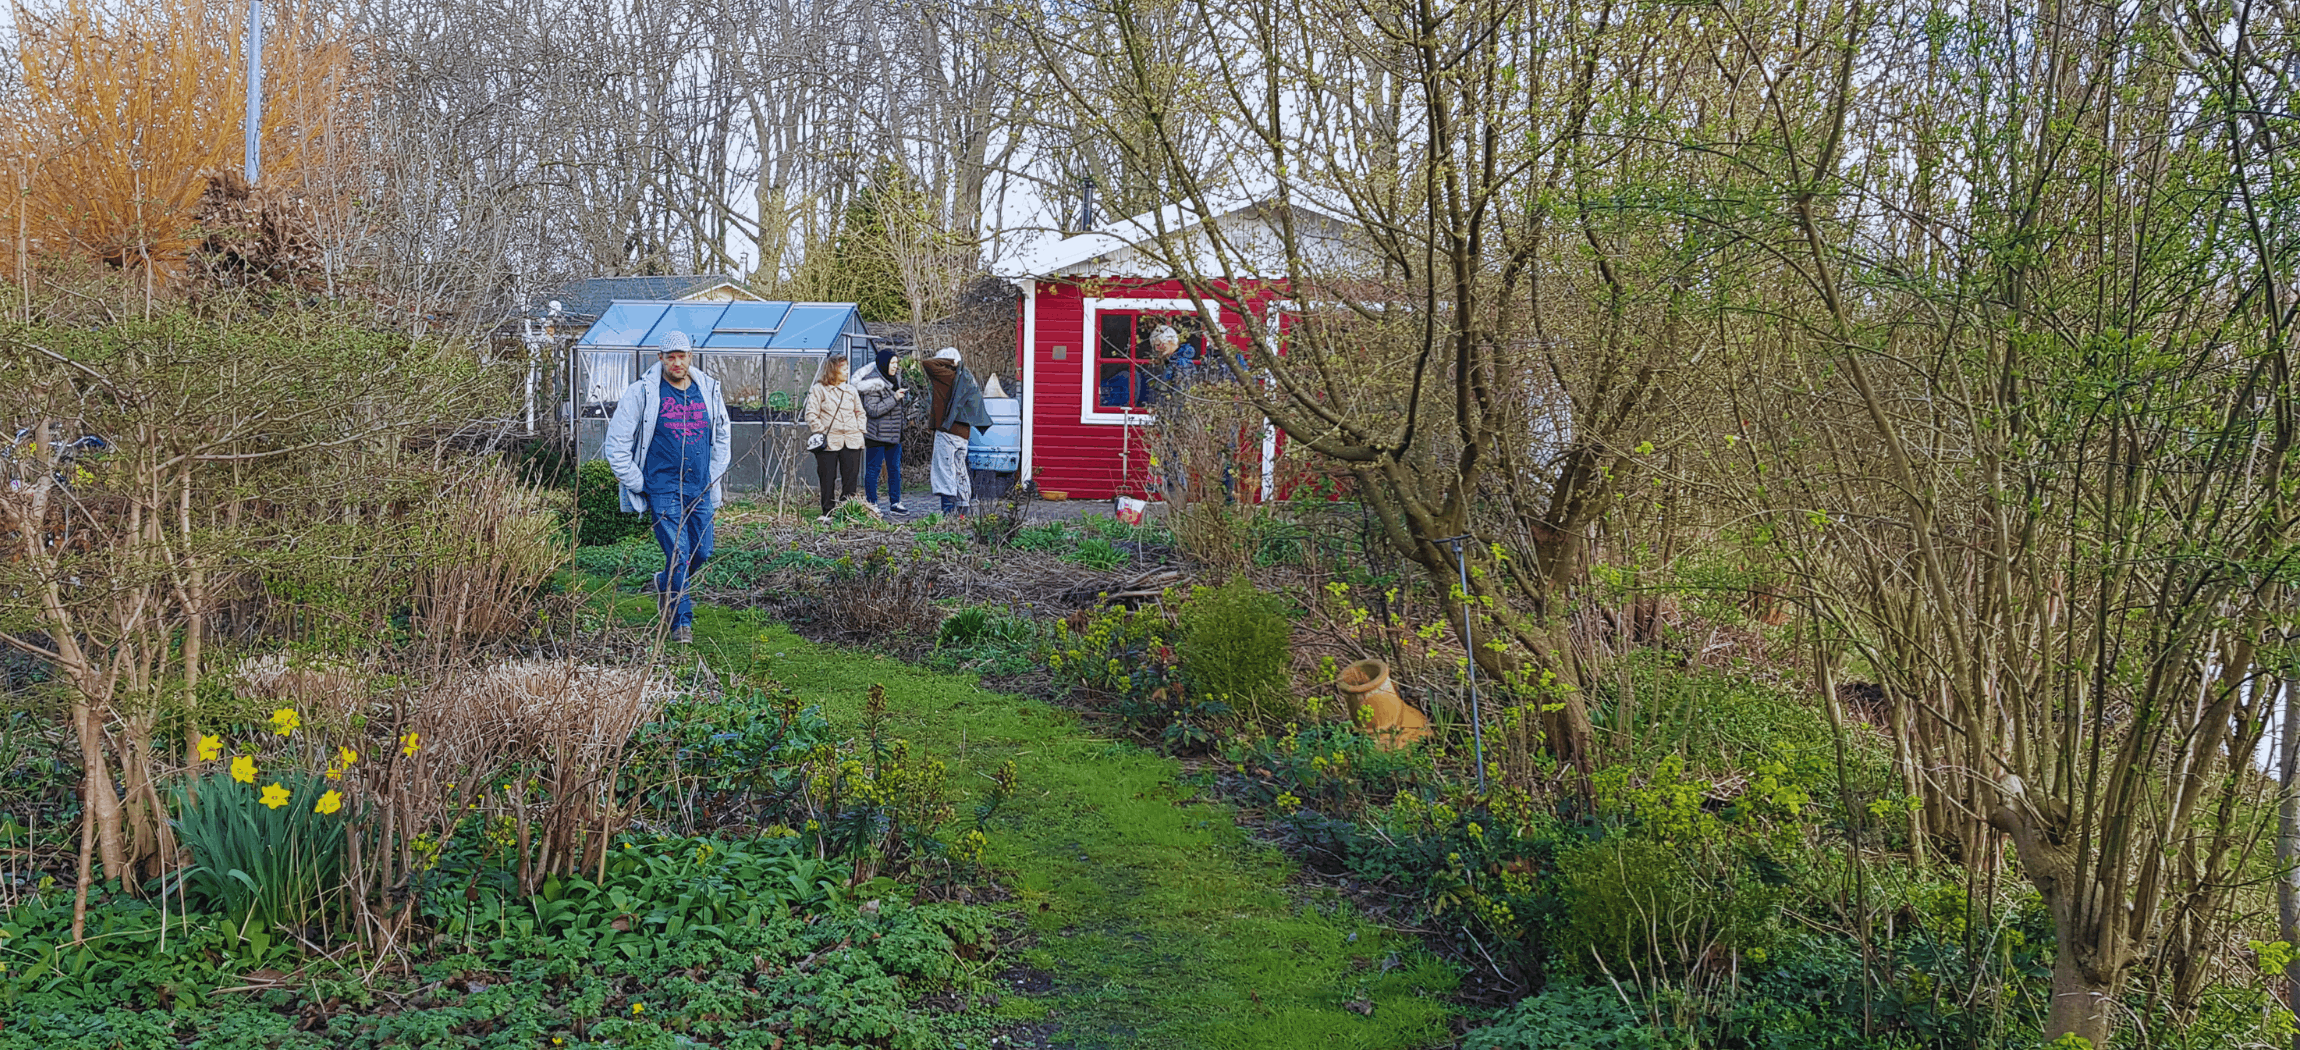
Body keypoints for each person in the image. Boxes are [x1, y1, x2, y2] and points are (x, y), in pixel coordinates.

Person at [600, 329, 730, 644]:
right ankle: (680, 622)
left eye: (681, 356)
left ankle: (664, 582)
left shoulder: (708, 390)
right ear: (660, 358)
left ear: (690, 356)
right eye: (669, 357)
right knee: (678, 554)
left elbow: (723, 435)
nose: (676, 362)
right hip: (663, 489)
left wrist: (712, 474)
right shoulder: (642, 392)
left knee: (704, 551)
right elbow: (615, 445)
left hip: (699, 488)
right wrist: (640, 483)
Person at [922, 346, 993, 516]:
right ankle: (964, 507)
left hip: (947, 432)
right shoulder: (966, 380)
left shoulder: (946, 376)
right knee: (960, 470)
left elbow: (927, 363)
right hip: (964, 434)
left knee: (944, 470)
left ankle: (948, 510)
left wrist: (948, 361)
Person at [803, 353, 866, 521]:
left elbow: (860, 412)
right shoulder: (819, 389)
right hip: (829, 441)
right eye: (843, 368)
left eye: (847, 368)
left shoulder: (851, 390)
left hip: (852, 440)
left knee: (851, 479)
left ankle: (847, 513)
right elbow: (810, 413)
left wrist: (859, 429)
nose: (847, 372)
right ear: (833, 370)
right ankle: (828, 512)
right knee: (827, 478)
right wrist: (821, 430)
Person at [856, 347, 912, 514]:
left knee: (894, 469)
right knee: (873, 470)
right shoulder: (872, 383)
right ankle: (872, 503)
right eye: (892, 363)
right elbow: (872, 410)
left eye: (896, 363)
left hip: (894, 435)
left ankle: (896, 502)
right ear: (883, 363)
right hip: (877, 435)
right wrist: (894, 398)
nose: (895, 366)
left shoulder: (895, 379)